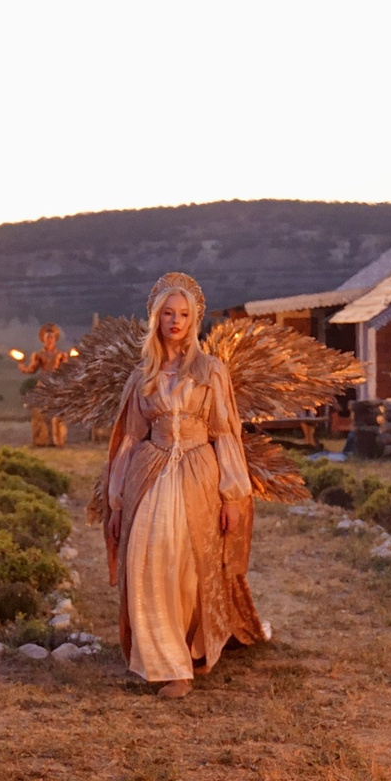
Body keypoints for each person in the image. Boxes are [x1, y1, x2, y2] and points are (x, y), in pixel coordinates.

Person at [97, 273, 263, 698]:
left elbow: (225, 431)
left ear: (194, 320)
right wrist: (115, 502)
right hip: (148, 472)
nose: (175, 321)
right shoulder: (142, 376)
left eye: (184, 314)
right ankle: (167, 662)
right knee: (145, 561)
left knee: (187, 568)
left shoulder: (211, 371)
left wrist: (232, 495)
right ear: (156, 319)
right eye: (168, 313)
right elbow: (129, 438)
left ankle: (188, 651)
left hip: (198, 472)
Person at [20, 323, 71, 446]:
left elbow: (66, 369)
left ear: (55, 339)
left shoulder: (60, 355)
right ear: (43, 339)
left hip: (56, 385)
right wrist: (22, 365)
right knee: (42, 413)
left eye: (52, 337)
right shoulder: (38, 355)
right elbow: (32, 369)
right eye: (47, 337)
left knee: (58, 414)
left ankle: (58, 439)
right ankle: (43, 439)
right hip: (43, 384)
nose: (49, 340)